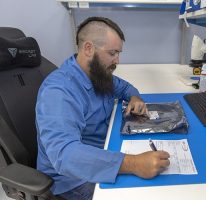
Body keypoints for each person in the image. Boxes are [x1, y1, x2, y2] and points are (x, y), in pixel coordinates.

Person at [36, 16, 170, 200]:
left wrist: (135, 97)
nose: (118, 60)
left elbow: (124, 87)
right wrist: (133, 164)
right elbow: (65, 155)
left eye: (118, 53)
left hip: (104, 150)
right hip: (72, 180)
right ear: (89, 48)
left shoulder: (96, 73)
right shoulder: (59, 91)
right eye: (113, 53)